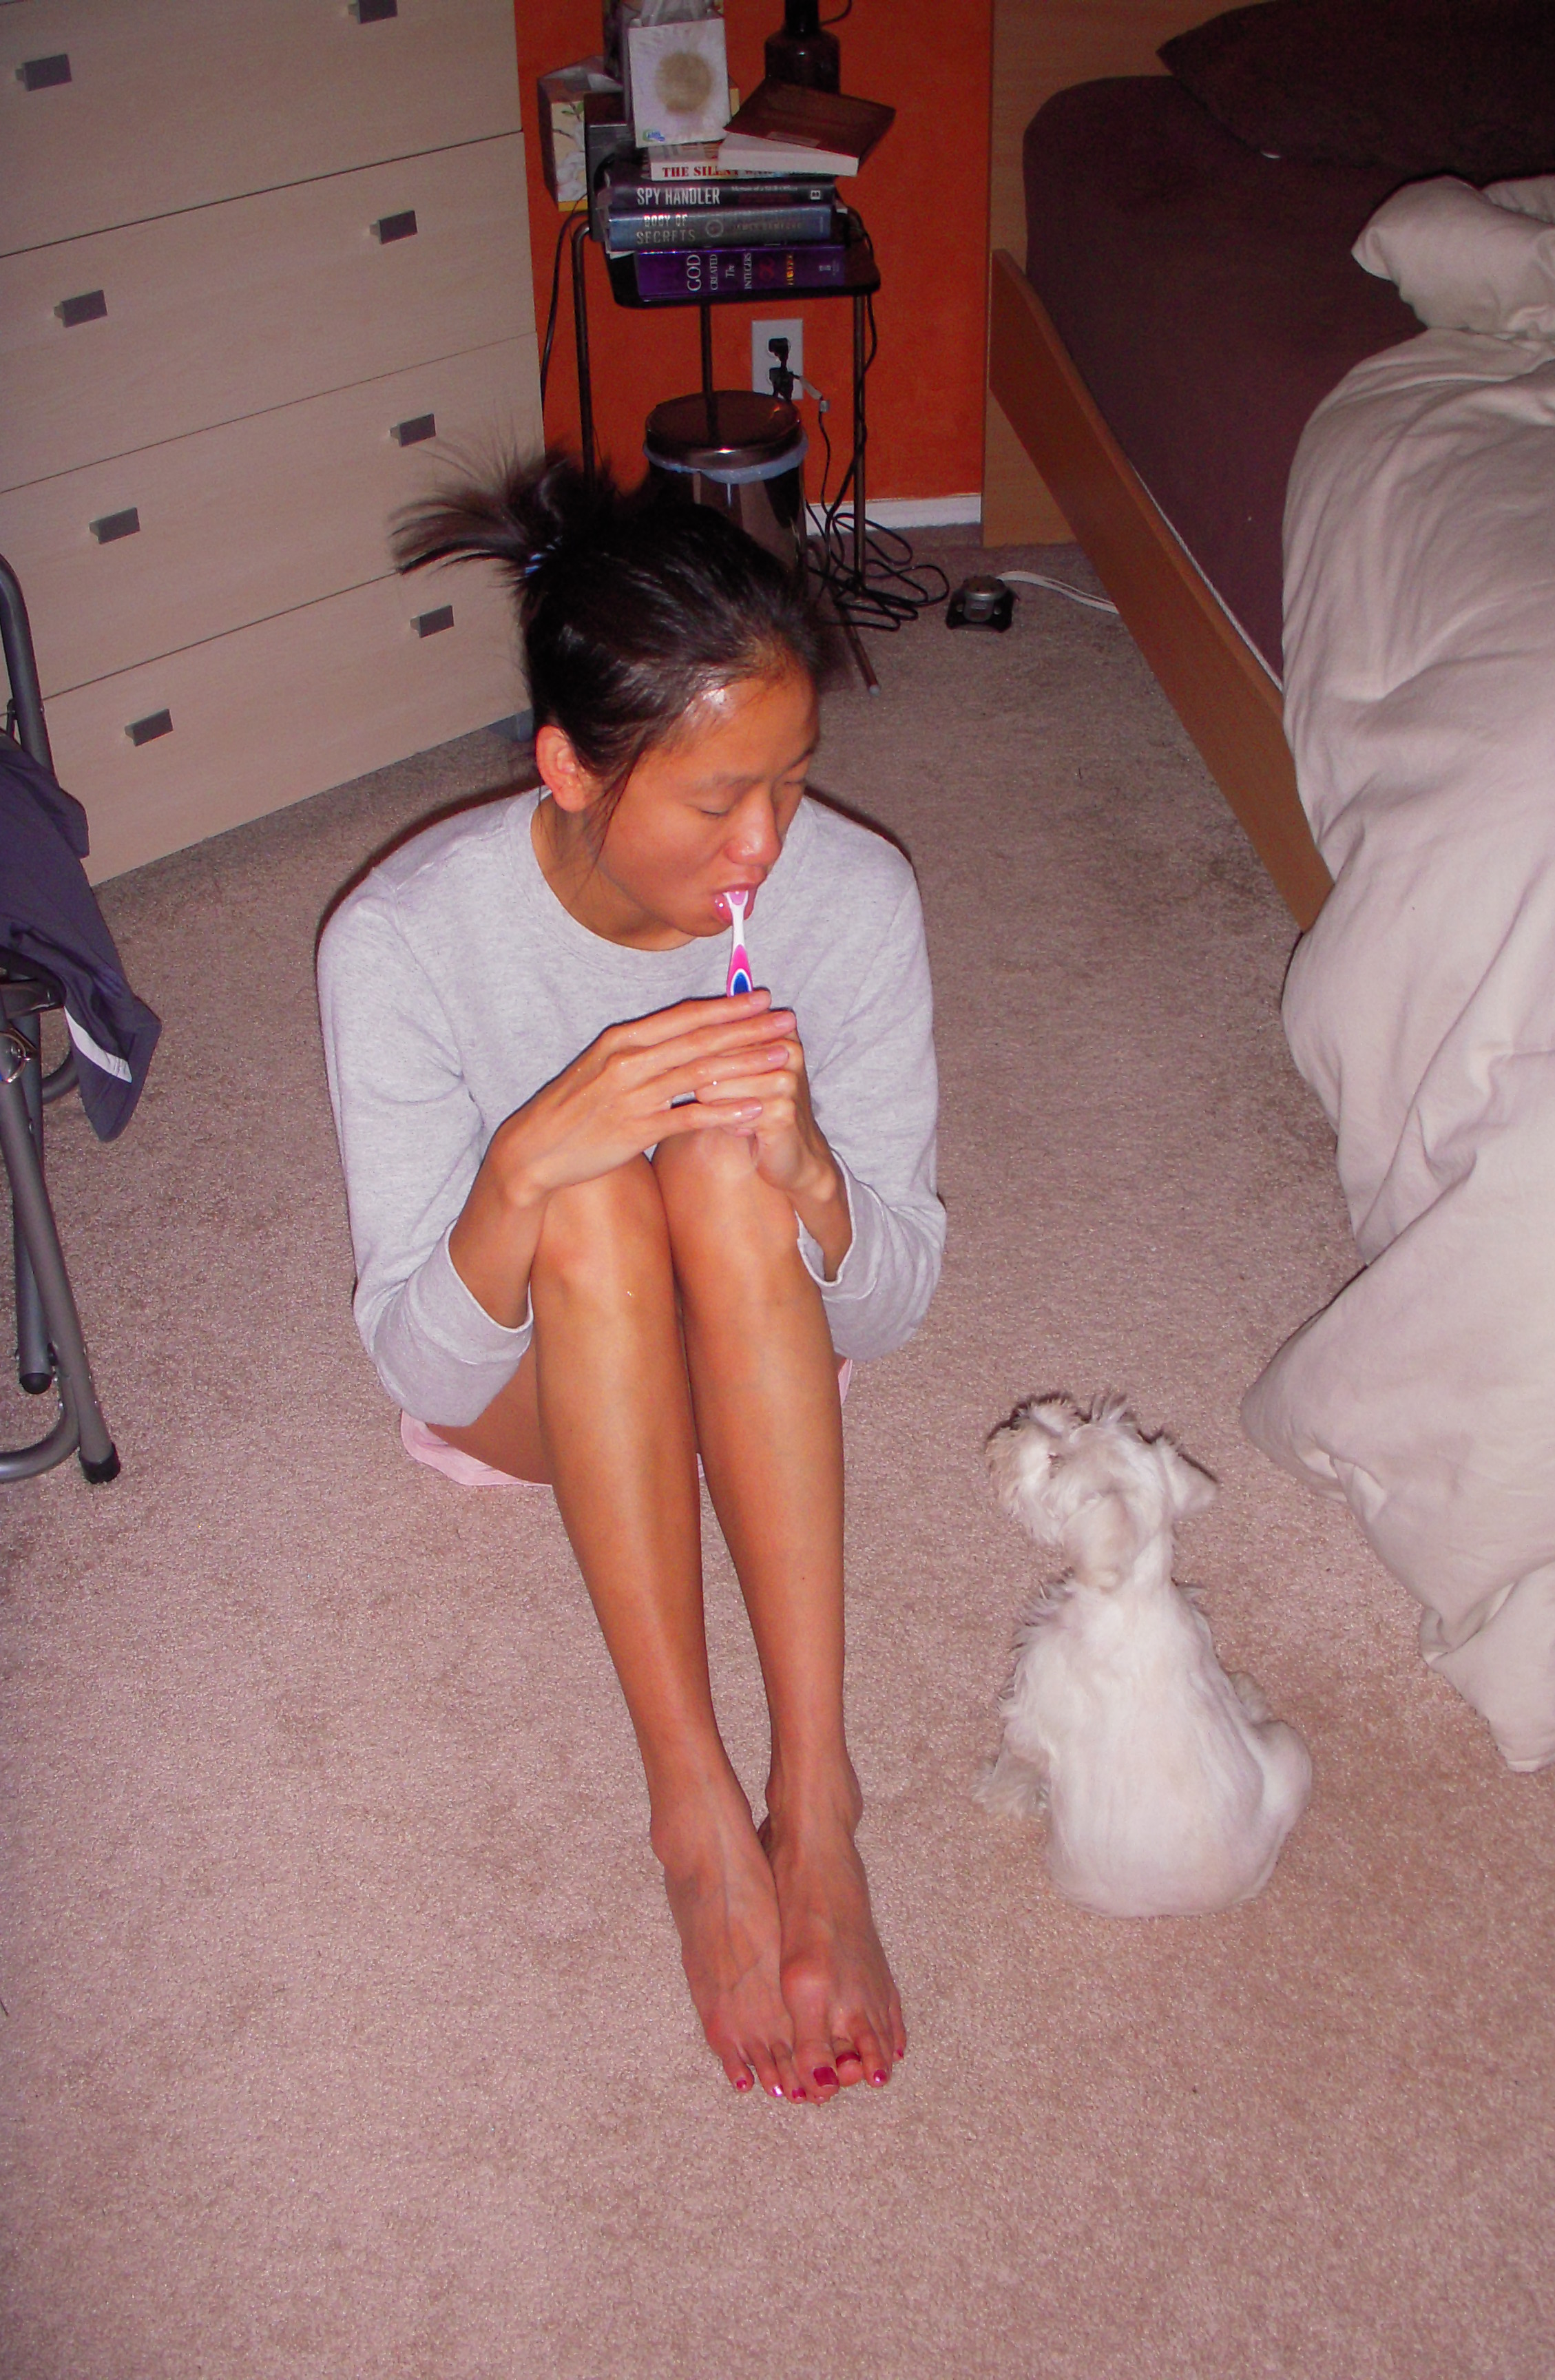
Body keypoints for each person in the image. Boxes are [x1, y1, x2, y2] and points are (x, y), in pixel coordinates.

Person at [316, 456, 943, 2106]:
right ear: (571, 768)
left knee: (730, 1168)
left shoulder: (855, 899)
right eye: (718, 798)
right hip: (534, 1371)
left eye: (791, 780)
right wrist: (526, 1166)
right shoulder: (401, 942)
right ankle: (694, 1812)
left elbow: (889, 1308)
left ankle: (817, 1800)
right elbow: (424, 1364)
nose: (767, 844)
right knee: (593, 1205)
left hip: (756, 1339)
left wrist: (812, 1173)